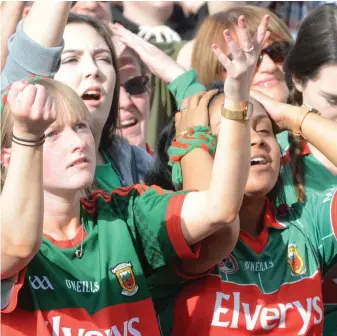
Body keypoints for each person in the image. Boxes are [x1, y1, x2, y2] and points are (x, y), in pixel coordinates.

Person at [1, 12, 267, 330]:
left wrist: (236, 100)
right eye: (52, 133)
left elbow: (220, 208)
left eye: (81, 126)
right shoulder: (12, 230)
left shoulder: (125, 210)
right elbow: (15, 247)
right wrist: (29, 137)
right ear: (9, 155)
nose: (76, 142)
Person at [1, 0, 153, 192]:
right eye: (71, 59)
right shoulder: (24, 156)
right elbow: (32, 56)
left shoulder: (141, 166)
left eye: (103, 59)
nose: (93, 70)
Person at [117, 47, 153, 154]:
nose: (126, 102)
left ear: (149, 94)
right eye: (112, 92)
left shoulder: (170, 169)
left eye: (135, 85)